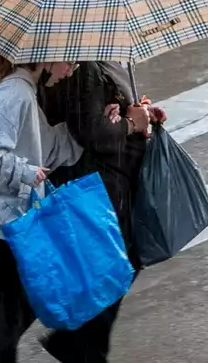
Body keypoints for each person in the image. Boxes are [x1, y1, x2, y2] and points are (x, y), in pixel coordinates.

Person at [0, 45, 84, 363]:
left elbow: (47, 149)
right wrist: (25, 173)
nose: (72, 68)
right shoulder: (16, 92)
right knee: (14, 310)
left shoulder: (20, 89)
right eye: (68, 59)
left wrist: (99, 128)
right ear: (46, 57)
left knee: (12, 312)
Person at [36, 61, 165, 363]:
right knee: (120, 261)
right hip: (102, 182)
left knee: (123, 261)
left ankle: (79, 344)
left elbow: (112, 115)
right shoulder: (85, 68)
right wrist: (130, 124)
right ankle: (82, 346)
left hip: (118, 176)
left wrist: (143, 115)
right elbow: (90, 132)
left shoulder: (107, 62)